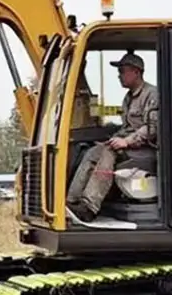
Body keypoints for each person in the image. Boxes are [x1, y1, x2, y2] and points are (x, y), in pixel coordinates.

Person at [67, 51, 158, 221]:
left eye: (122, 71)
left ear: (136, 72)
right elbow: (127, 127)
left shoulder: (151, 94)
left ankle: (90, 206)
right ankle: (71, 201)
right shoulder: (128, 98)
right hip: (131, 145)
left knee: (108, 153)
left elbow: (152, 128)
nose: (119, 76)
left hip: (147, 148)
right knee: (93, 151)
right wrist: (112, 138)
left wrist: (126, 141)